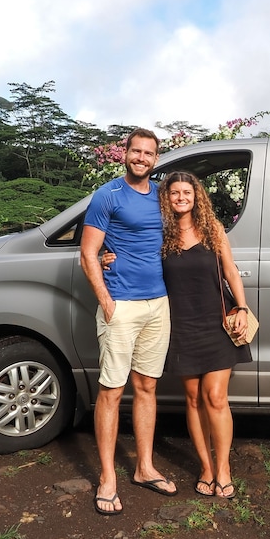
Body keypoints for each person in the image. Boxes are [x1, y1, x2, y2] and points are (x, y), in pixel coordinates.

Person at [80, 127, 177, 516]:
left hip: (158, 304)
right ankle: (107, 478)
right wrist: (106, 301)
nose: (141, 158)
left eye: (148, 153)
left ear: (156, 158)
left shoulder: (162, 195)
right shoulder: (108, 195)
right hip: (121, 304)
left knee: (147, 387)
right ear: (125, 154)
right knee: (111, 391)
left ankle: (144, 467)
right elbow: (88, 252)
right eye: (136, 151)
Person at [159, 171, 252, 499]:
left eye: (187, 192)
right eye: (175, 193)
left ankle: (223, 468)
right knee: (193, 398)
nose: (181, 198)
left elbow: (230, 271)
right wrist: (107, 258)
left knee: (214, 396)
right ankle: (206, 468)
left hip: (216, 321)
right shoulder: (161, 234)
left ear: (196, 196)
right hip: (180, 324)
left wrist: (242, 307)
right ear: (167, 198)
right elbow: (137, 262)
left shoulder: (213, 229)